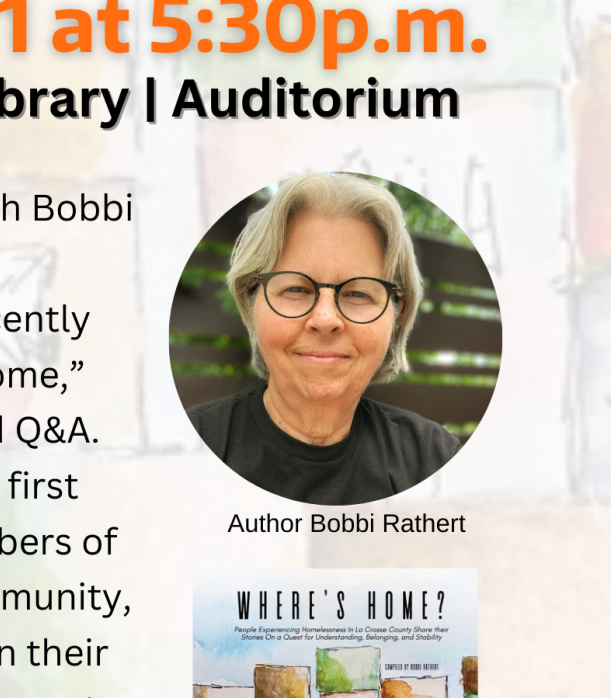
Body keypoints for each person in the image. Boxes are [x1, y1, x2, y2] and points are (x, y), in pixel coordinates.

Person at [185, 173, 460, 504]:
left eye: (358, 293)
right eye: (296, 289)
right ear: (250, 301)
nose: (326, 319)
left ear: (396, 314)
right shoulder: (191, 449)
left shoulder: (433, 457)